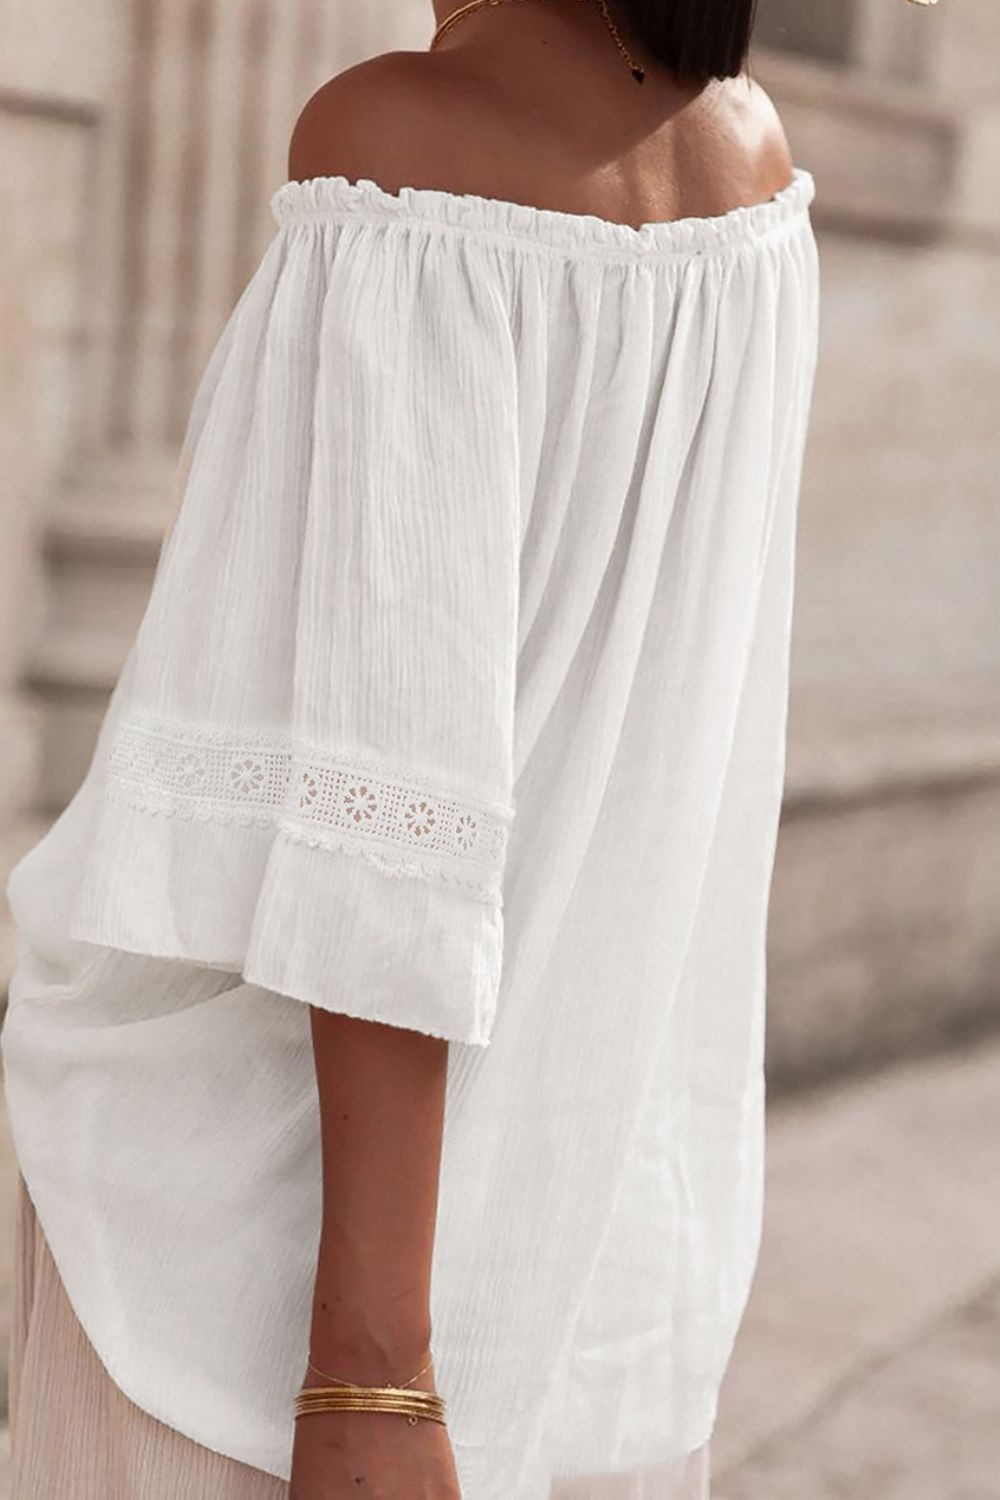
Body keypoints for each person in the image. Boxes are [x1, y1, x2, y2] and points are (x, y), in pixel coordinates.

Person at [1, 1, 819, 1496]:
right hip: (591, 1263)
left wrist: (372, 1367)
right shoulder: (749, 158)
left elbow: (390, 817)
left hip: (272, 1292)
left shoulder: (406, 146)